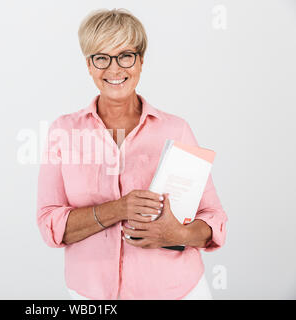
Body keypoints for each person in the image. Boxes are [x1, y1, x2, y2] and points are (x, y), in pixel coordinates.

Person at [36, 8, 228, 300]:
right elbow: (50, 225)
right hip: (91, 296)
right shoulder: (63, 132)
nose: (114, 69)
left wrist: (177, 234)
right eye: (101, 58)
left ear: (140, 61)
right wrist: (120, 208)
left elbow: (214, 218)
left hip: (178, 292)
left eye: (125, 55)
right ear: (88, 65)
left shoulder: (176, 129)